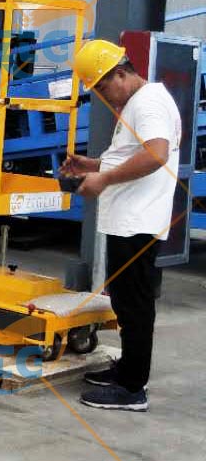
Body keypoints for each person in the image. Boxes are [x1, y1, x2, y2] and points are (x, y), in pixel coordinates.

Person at [61, 39, 181, 413]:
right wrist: (93, 165)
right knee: (126, 302)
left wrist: (105, 180)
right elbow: (132, 154)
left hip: (137, 222)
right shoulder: (138, 102)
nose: (102, 96)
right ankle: (128, 370)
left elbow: (156, 155)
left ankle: (132, 389)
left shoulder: (147, 103)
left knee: (134, 303)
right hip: (130, 220)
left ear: (120, 74)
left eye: (102, 87)